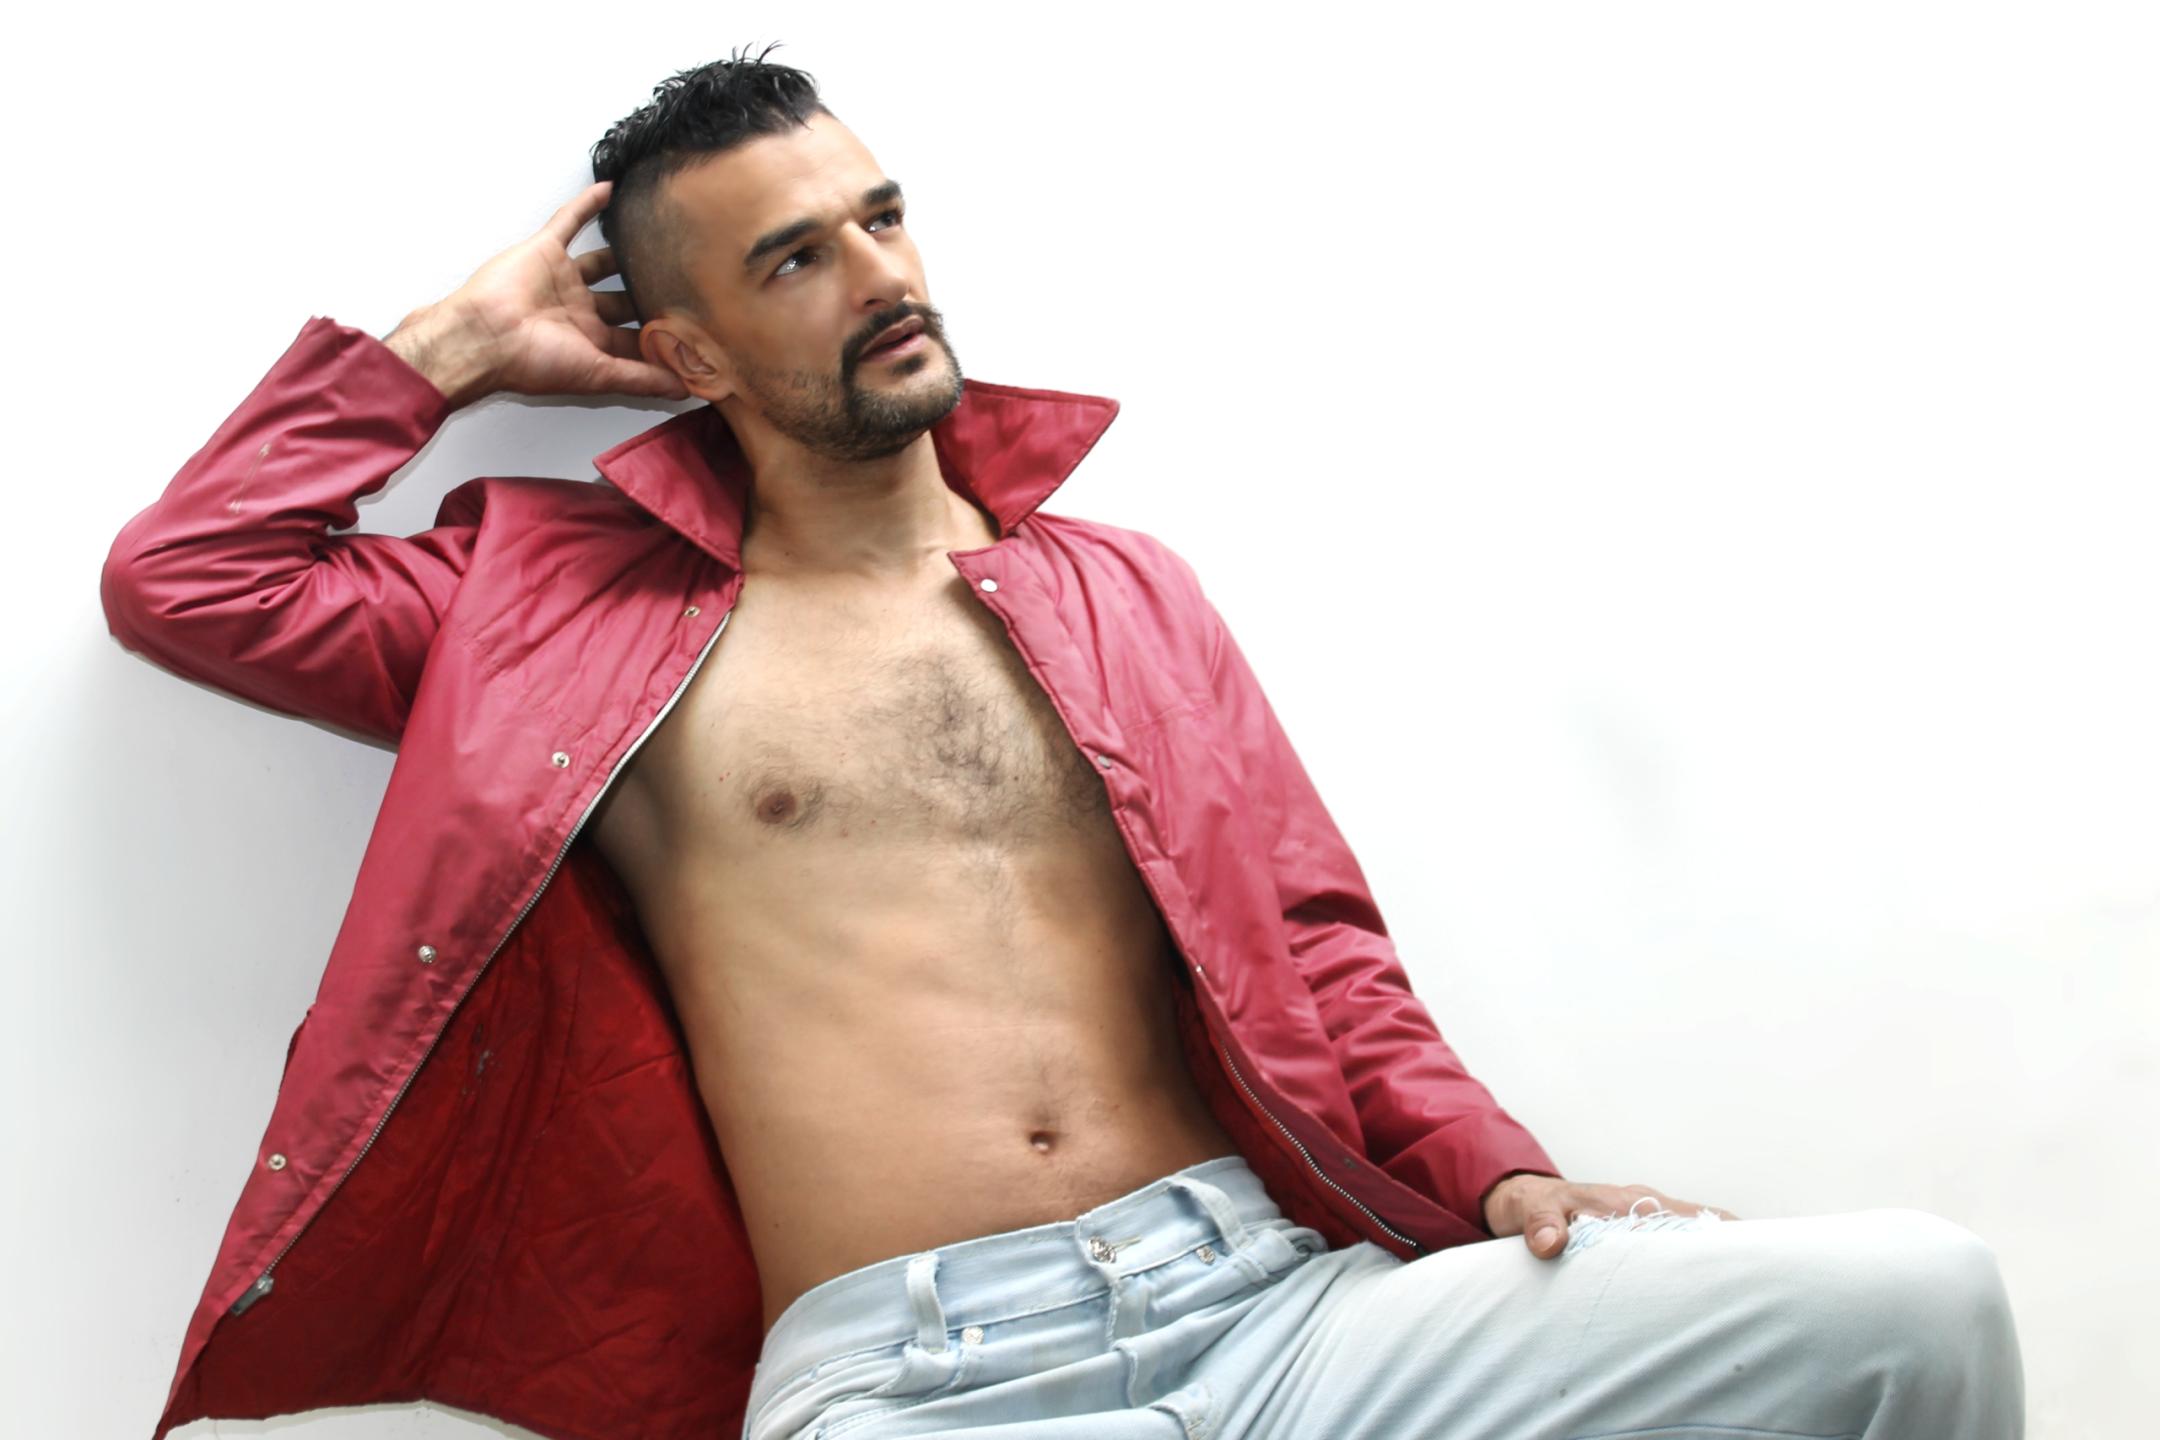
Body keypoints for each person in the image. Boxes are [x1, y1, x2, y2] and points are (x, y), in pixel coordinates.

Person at [102, 45, 2024, 1440]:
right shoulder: (564, 615)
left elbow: (1319, 945)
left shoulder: (1123, 587)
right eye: (794, 262)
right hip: (919, 1375)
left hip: (1277, 1317)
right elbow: (190, 579)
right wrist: (449, 350)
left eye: (881, 218)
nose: (884, 278)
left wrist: (1497, 1174)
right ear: (684, 356)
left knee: (1910, 1308)